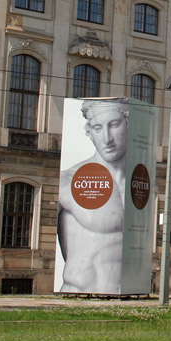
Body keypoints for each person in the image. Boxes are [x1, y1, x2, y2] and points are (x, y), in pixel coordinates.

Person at [58, 99, 129, 293]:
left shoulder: (140, 184)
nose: (107, 138)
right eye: (98, 128)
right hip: (78, 291)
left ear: (128, 125)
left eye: (114, 125)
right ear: (89, 132)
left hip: (126, 295)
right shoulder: (67, 181)